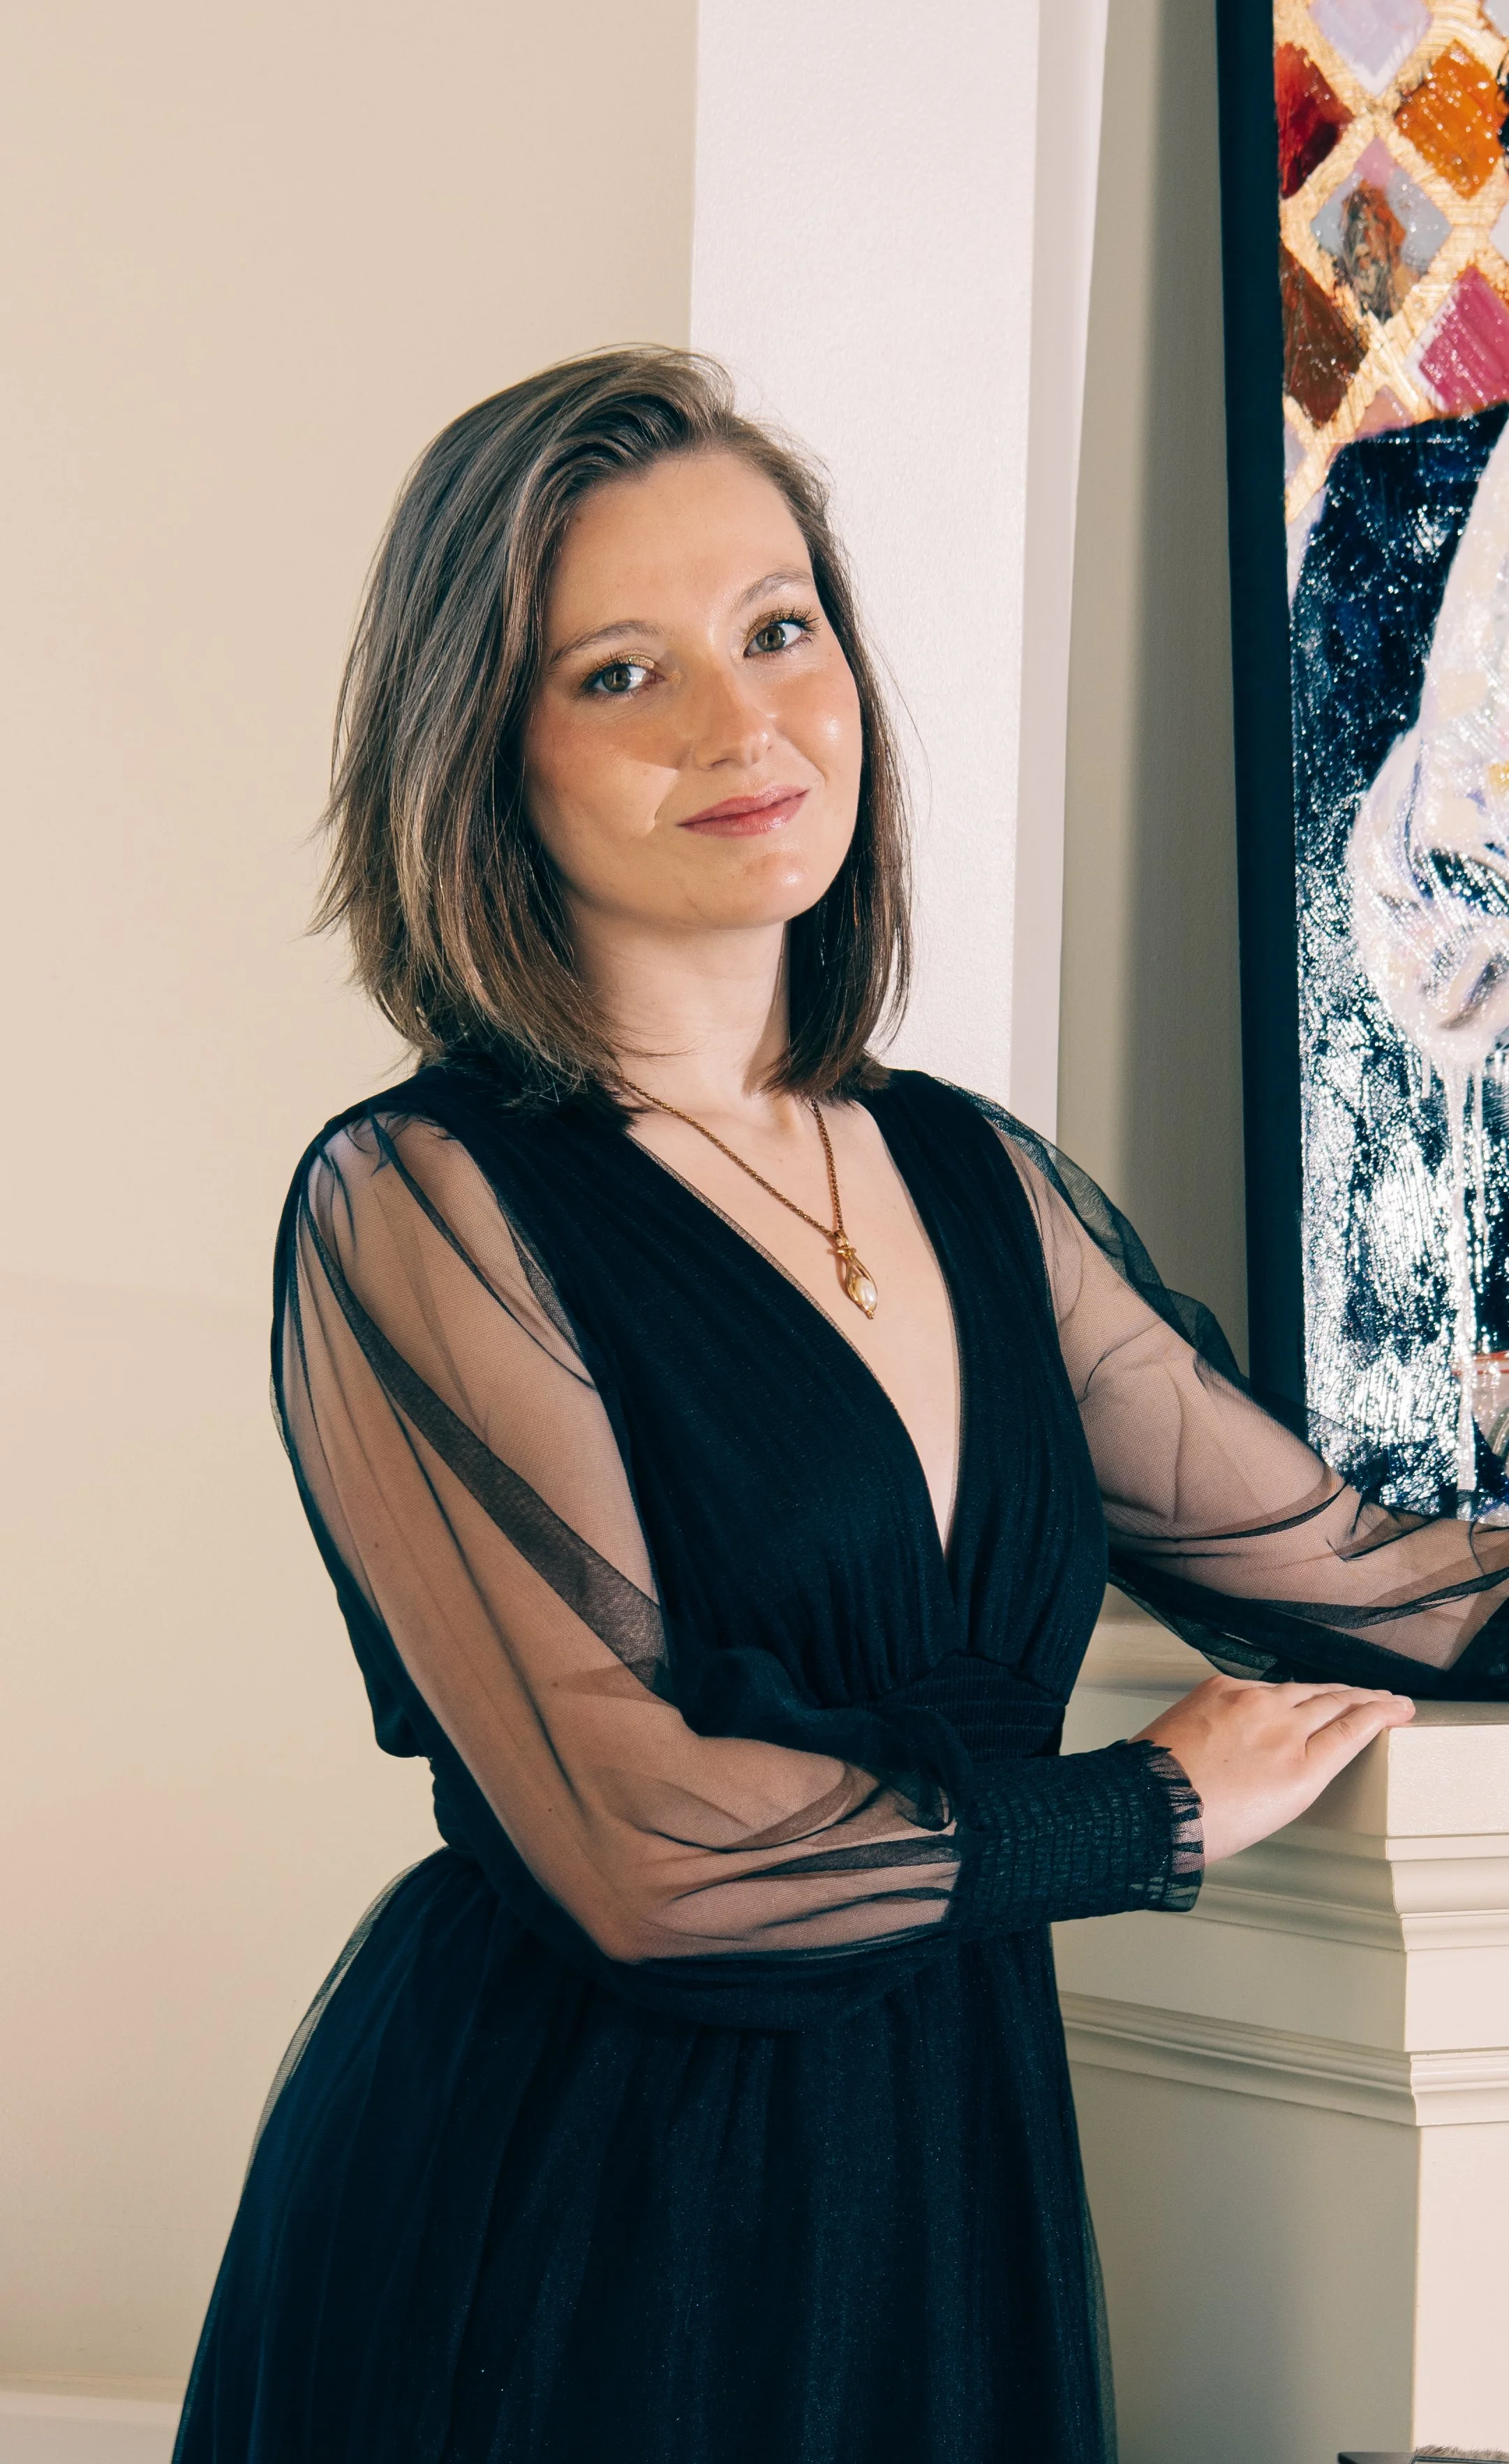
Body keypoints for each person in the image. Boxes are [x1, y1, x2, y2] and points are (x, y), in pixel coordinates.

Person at [173, 350, 1509, 2464]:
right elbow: (646, 1854)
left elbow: (1364, 1579)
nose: (745, 724)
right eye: (624, 672)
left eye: (780, 629)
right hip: (575, 2217)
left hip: (938, 2173)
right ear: (484, 749)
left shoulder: (972, 1178)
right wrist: (1146, 1810)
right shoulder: (417, 1202)